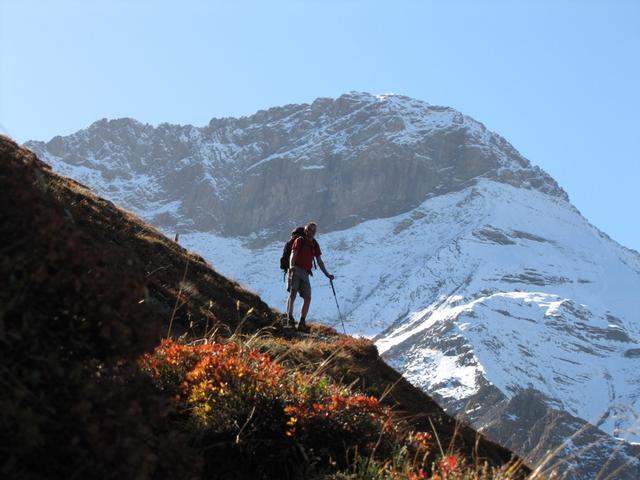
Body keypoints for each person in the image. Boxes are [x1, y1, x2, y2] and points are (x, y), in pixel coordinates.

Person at [286, 222, 334, 332]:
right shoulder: (299, 240)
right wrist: (291, 266)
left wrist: (327, 274)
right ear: (306, 230)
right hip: (296, 269)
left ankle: (302, 322)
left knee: (307, 297)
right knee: (293, 293)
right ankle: (290, 319)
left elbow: (319, 261)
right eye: (310, 230)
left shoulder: (314, 244)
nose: (311, 232)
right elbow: (293, 253)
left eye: (313, 230)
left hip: (306, 273)